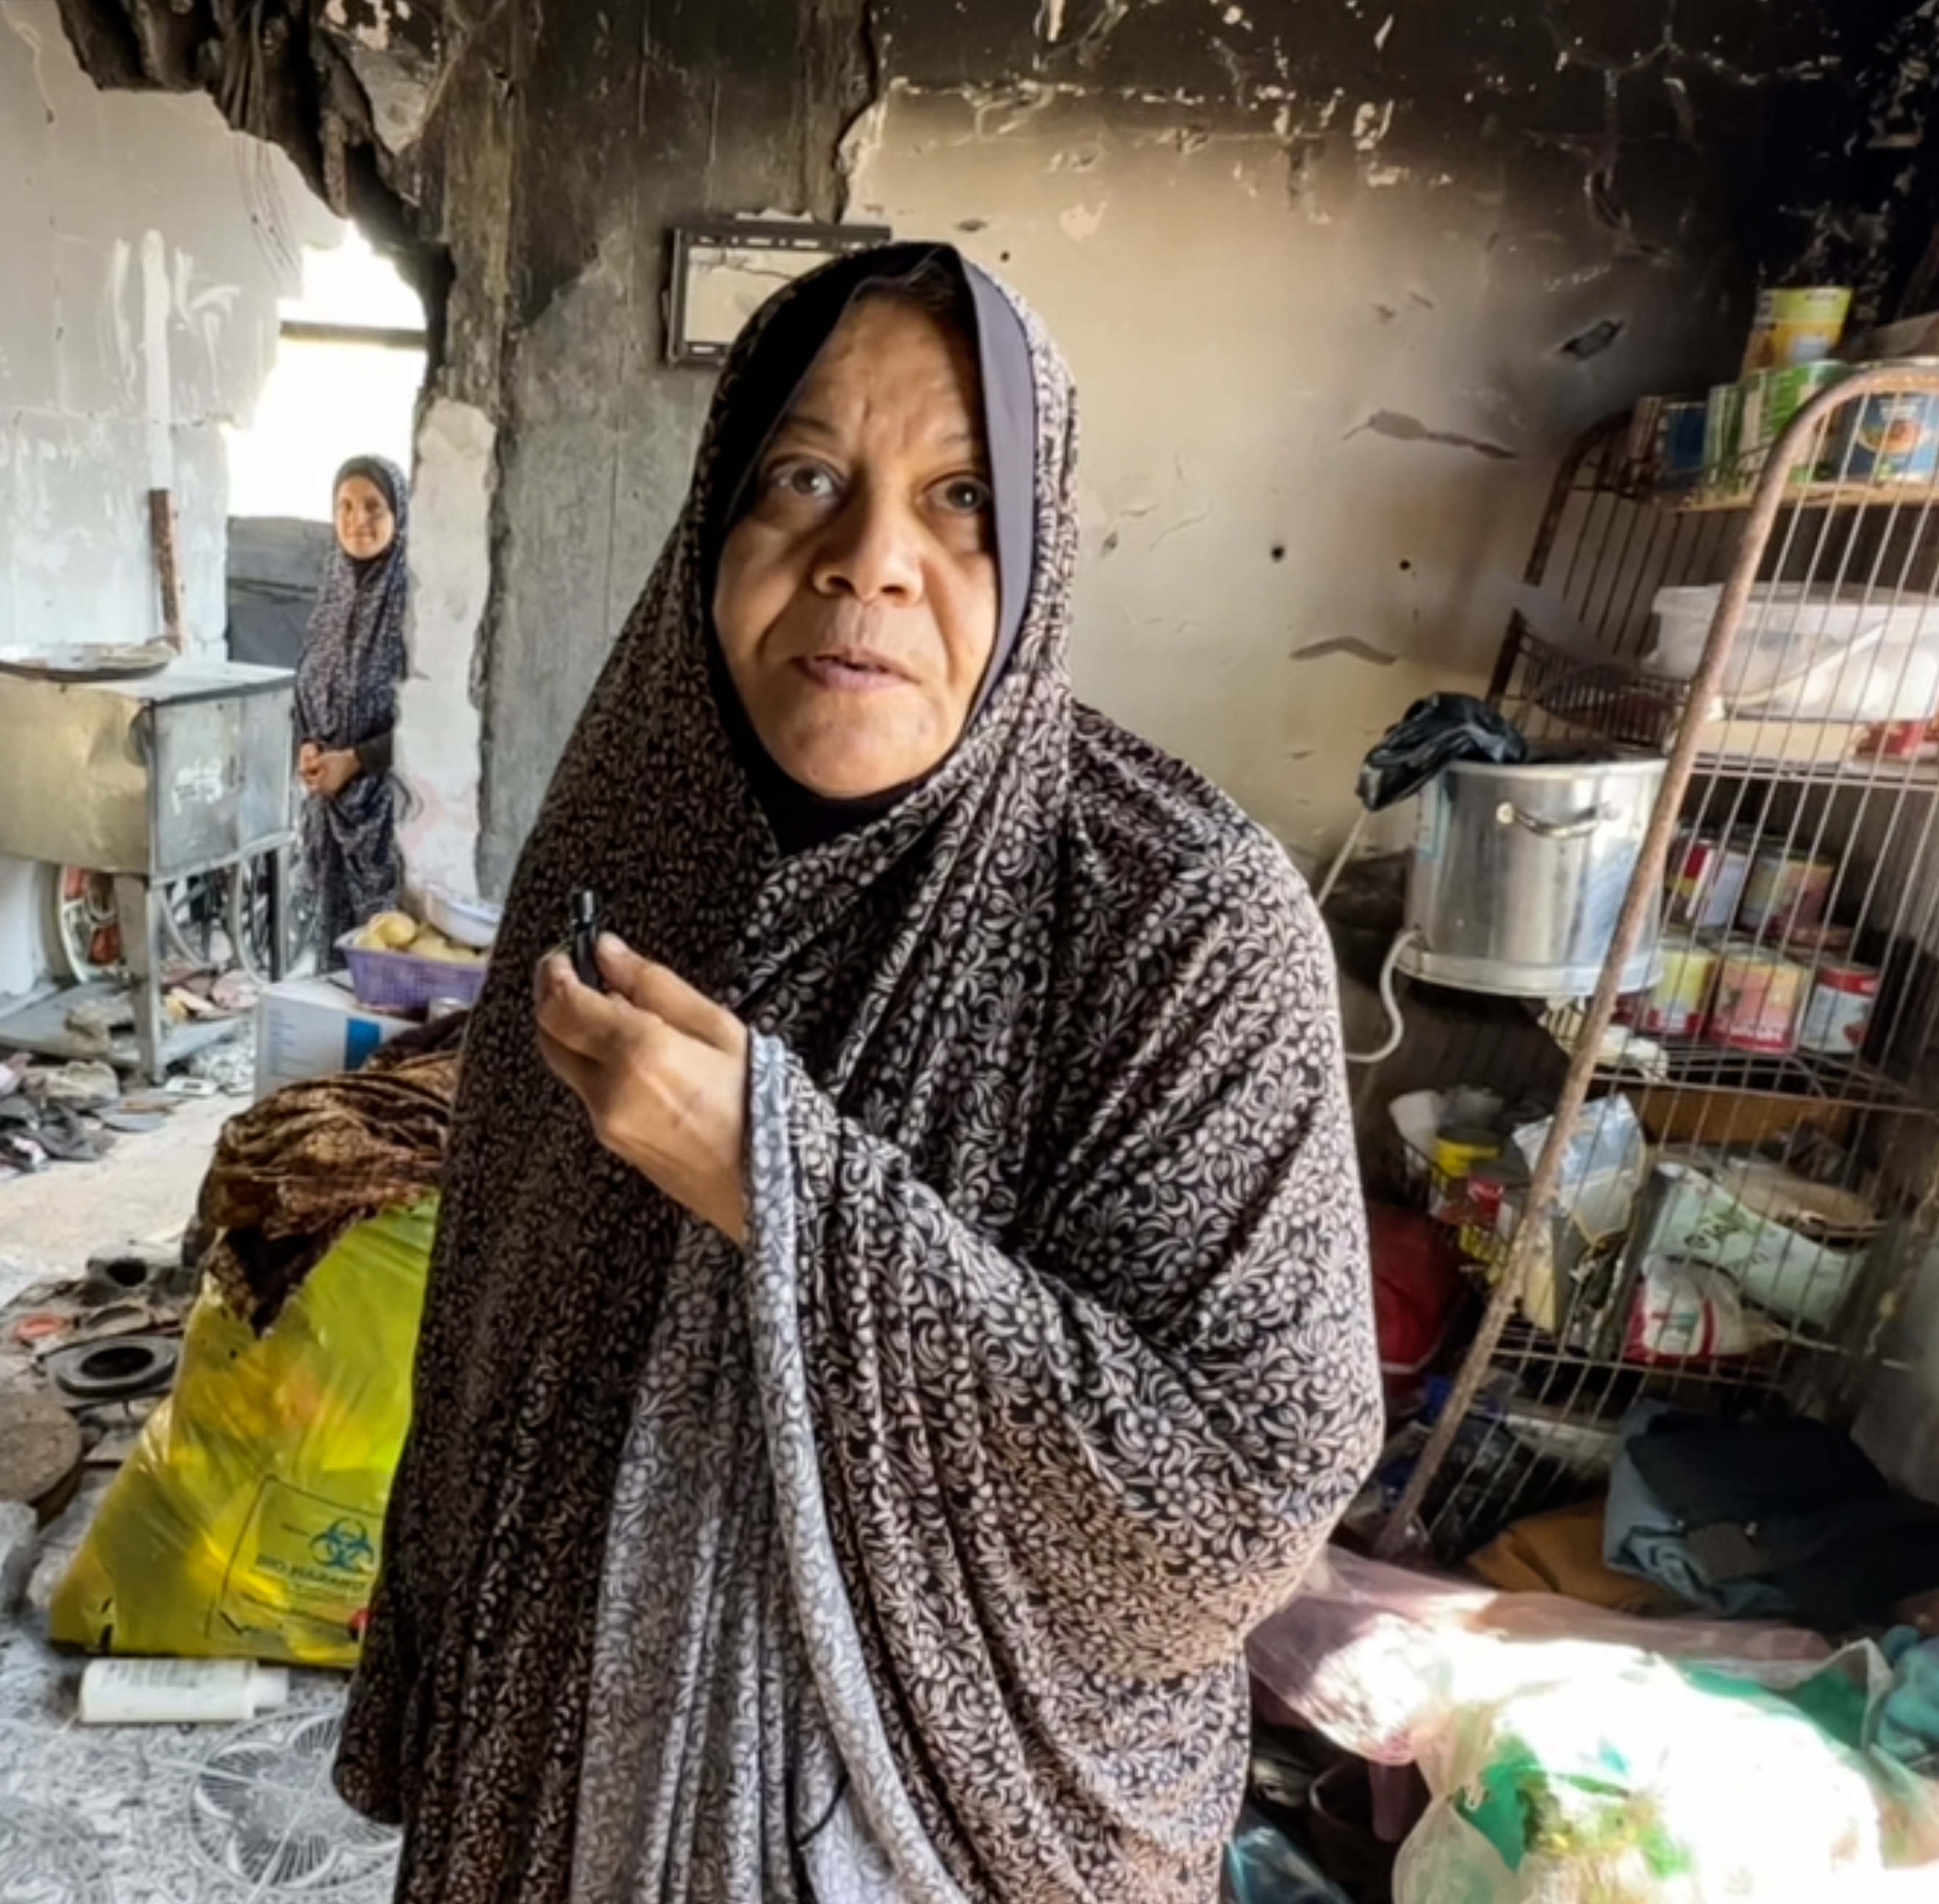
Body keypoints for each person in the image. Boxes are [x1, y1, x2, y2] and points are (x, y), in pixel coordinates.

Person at [334, 244, 1382, 1901]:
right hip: (558, 1774)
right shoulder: (626, 831)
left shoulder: (1175, 917)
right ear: (716, 523)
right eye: (803, 477)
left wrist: (778, 1180)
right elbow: (489, 1310)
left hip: (927, 1833)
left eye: (959, 496)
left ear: (1038, 553)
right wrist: (431, 1677)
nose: (864, 561)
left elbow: (1229, 1504)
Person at [293, 457, 409, 961]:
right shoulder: (334, 589)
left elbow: (428, 721)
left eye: (372, 507)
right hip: (330, 808)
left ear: (399, 514)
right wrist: (309, 747)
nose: (357, 519)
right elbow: (307, 682)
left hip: (389, 813)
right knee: (333, 955)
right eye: (344, 505)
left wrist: (358, 761)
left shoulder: (414, 597)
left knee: (387, 952)